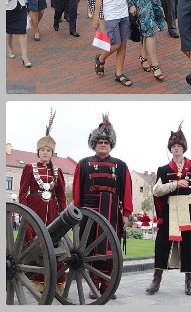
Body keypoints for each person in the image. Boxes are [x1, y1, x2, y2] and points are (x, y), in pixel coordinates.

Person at [73, 114, 133, 299]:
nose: (103, 145)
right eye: (99, 142)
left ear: (111, 144)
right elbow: (77, 192)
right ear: (94, 144)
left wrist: (126, 215)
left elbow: (127, 192)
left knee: (110, 250)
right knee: (90, 249)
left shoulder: (121, 166)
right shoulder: (83, 164)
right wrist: (77, 212)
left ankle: (107, 284)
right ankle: (94, 284)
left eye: (106, 142)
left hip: (112, 213)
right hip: (90, 214)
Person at [146, 123, 191, 296]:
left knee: (190, 246)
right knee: (161, 246)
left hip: (189, 210)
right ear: (170, 149)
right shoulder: (164, 170)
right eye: (173, 147)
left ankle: (189, 281)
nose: (176, 149)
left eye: (179, 146)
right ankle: (156, 280)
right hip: (170, 211)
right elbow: (156, 191)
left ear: (183, 148)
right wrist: (174, 184)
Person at [19, 109, 67, 292]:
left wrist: (63, 212)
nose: (45, 153)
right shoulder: (30, 168)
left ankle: (54, 282)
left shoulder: (58, 171)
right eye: (42, 150)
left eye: (48, 150)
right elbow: (22, 192)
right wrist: (25, 213)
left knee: (53, 243)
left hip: (52, 212)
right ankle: (36, 280)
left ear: (52, 153)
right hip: (34, 209)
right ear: (38, 152)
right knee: (35, 243)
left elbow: (61, 195)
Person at [93, 0, 132, 87]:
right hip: (111, 15)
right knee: (115, 44)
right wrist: (96, 17)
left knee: (123, 44)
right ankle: (101, 57)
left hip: (124, 13)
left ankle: (119, 74)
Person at [5, 0, 30, 67]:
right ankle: (10, 48)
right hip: (8, 11)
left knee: (22, 32)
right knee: (9, 32)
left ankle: (24, 57)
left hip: (21, 8)